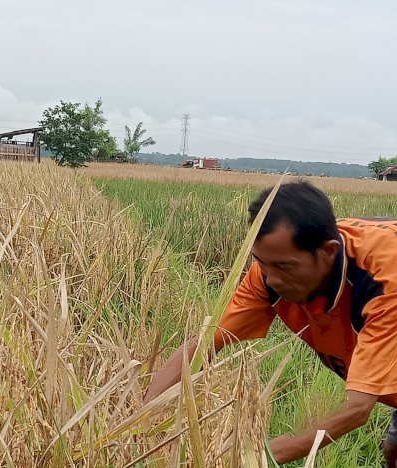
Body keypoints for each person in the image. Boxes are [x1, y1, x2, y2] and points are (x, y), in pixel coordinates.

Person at [143, 181, 397, 465]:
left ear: (329, 251)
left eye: (284, 267)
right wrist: (140, 418)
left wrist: (259, 458)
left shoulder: (383, 284)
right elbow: (203, 346)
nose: (271, 279)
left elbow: (357, 408)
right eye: (261, 262)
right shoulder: (269, 271)